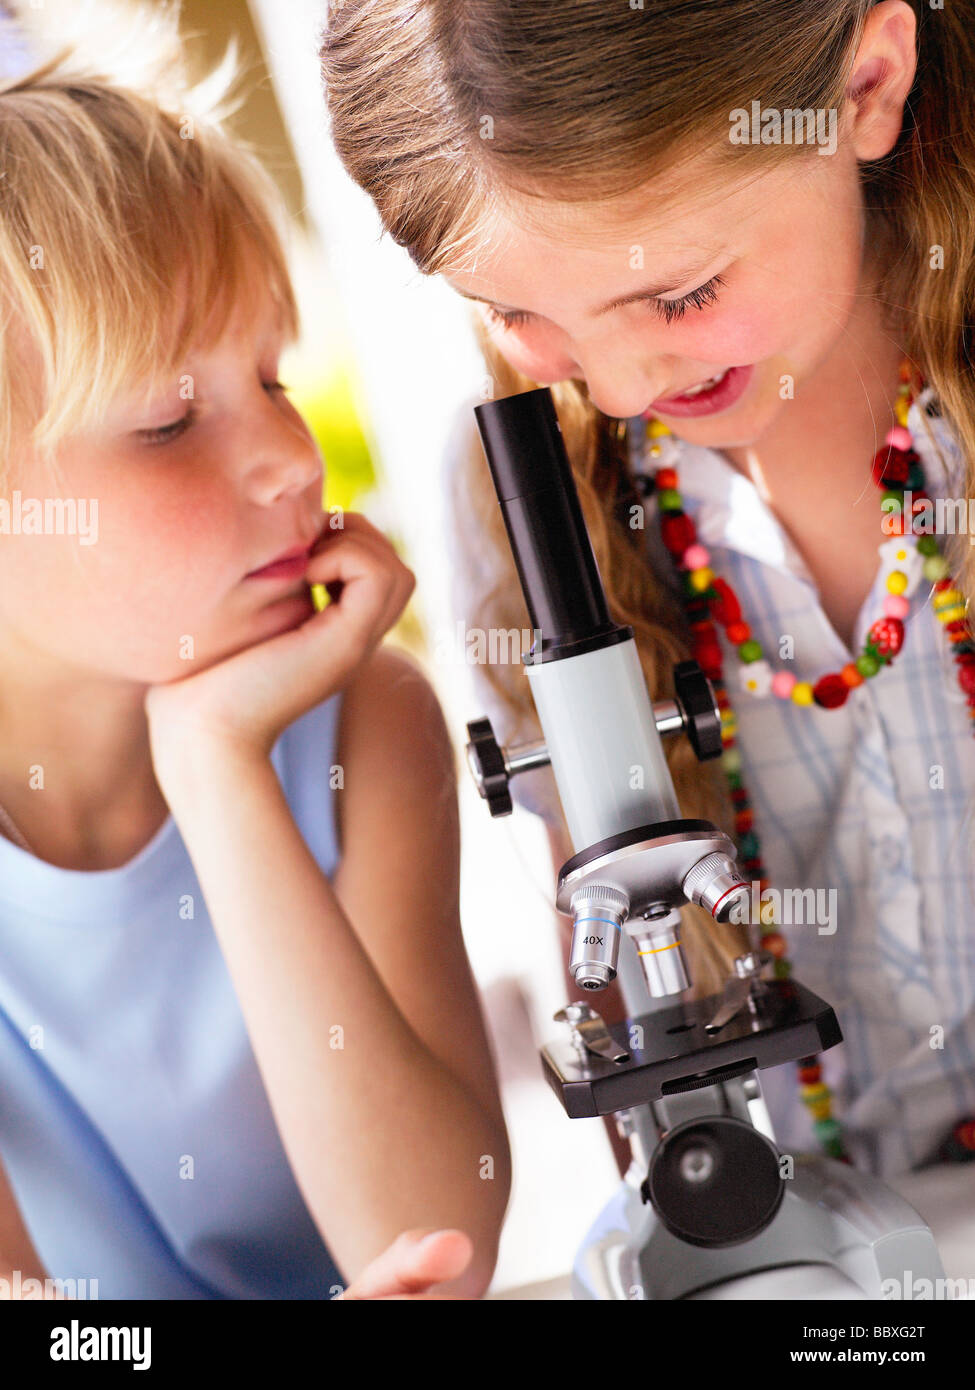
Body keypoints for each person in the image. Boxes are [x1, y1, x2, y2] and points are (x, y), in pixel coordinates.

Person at [320, 0, 975, 1182]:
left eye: (681, 298)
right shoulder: (532, 500)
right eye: (518, 314)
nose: (619, 391)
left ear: (866, 86)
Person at [0, 4, 510, 1301]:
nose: (291, 456)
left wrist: (218, 767)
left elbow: (437, 1246)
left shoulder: (362, 730)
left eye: (274, 378)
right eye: (171, 419)